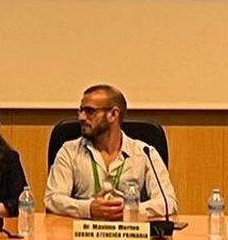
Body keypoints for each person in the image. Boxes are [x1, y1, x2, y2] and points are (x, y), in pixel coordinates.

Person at [46, 84, 177, 220]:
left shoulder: (144, 153)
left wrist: (129, 210)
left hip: (131, 235)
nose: (81, 117)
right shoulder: (69, 151)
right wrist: (88, 208)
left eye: (89, 111)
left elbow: (168, 202)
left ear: (113, 114)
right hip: (82, 235)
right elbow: (53, 199)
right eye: (80, 111)